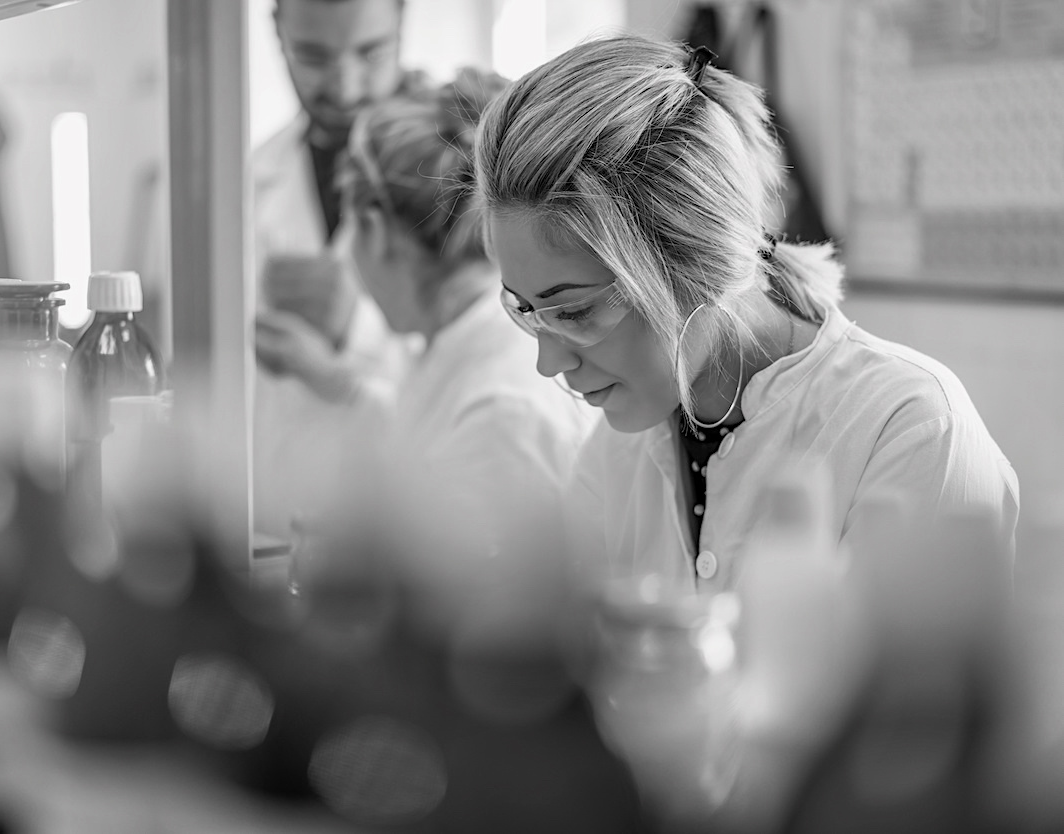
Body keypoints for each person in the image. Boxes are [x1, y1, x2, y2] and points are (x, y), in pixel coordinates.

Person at [473, 35, 1019, 593]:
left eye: (574, 311)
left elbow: (918, 679)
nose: (547, 362)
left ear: (695, 261)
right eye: (527, 310)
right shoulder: (619, 452)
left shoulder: (909, 429)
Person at [256, 68, 596, 546]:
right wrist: (332, 379)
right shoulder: (458, 341)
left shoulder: (503, 410)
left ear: (372, 230)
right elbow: (415, 437)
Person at [253, 0, 424, 537]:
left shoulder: (460, 176)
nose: (346, 88)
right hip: (273, 520)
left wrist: (355, 329)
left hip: (406, 522)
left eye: (370, 53)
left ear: (402, 24)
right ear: (277, 35)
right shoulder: (249, 178)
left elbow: (499, 358)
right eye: (313, 56)